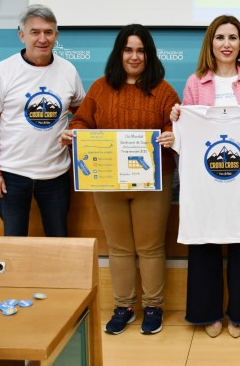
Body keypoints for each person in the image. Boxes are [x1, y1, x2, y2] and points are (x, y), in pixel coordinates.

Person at [60, 24, 179, 335]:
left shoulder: (164, 90)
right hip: (108, 181)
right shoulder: (99, 88)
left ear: (149, 55)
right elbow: (82, 120)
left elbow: (175, 125)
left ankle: (153, 306)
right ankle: (123, 306)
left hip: (153, 182)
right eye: (128, 50)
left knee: (151, 247)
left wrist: (171, 135)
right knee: (119, 247)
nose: (134, 56)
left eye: (141, 50)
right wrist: (75, 134)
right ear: (119, 53)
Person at [169, 15, 240, 339]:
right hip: (206, 182)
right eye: (220, 38)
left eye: (232, 37)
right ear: (210, 44)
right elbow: (186, 140)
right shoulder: (194, 83)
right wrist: (178, 119)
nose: (226, 44)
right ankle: (207, 313)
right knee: (204, 240)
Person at [0, 4, 85, 237]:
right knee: (14, 245)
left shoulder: (68, 71)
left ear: (56, 35)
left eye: (48, 32)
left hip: (56, 175)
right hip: (11, 176)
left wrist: (75, 131)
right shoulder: (3, 71)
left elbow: (83, 116)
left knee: (59, 241)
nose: (42, 39)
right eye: (35, 32)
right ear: (22, 35)